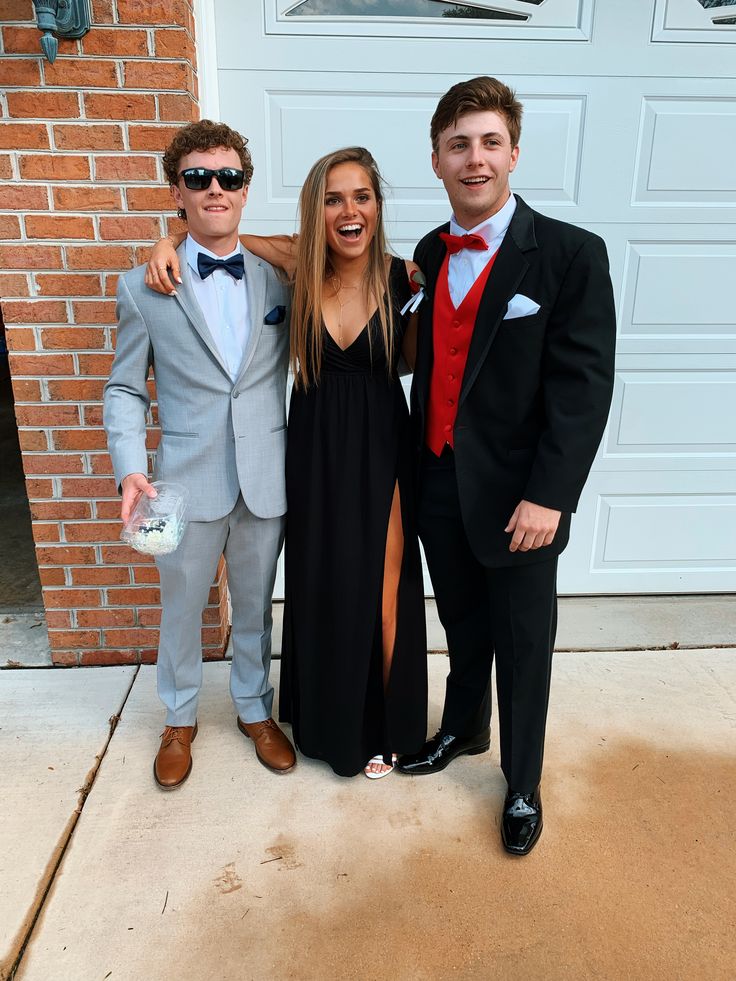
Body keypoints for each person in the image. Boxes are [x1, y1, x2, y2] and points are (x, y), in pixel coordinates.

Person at [145, 147, 428, 779]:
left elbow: (416, 363)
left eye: (361, 196)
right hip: (311, 445)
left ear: (378, 205)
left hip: (381, 440)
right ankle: (318, 718)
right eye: (333, 199)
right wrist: (165, 239)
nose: (348, 210)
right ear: (316, 212)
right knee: (319, 580)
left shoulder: (405, 277)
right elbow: (222, 235)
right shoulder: (297, 266)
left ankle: (384, 724)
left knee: (384, 581)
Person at [396, 77, 616, 855]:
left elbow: (583, 390)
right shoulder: (429, 250)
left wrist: (549, 498)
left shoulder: (568, 255)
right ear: (436, 160)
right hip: (438, 484)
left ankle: (522, 781)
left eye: (490, 142)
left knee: (524, 644)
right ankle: (464, 729)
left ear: (514, 152)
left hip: (521, 499)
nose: (475, 158)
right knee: (463, 628)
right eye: (459, 144)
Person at [104, 119, 297, 790]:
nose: (215, 188)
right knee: (182, 604)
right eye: (198, 177)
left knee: (253, 602)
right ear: (177, 192)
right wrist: (131, 467)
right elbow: (126, 385)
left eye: (228, 177)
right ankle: (180, 716)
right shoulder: (143, 287)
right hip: (181, 483)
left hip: (265, 477)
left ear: (245, 190)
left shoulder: (280, 277)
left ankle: (253, 707)